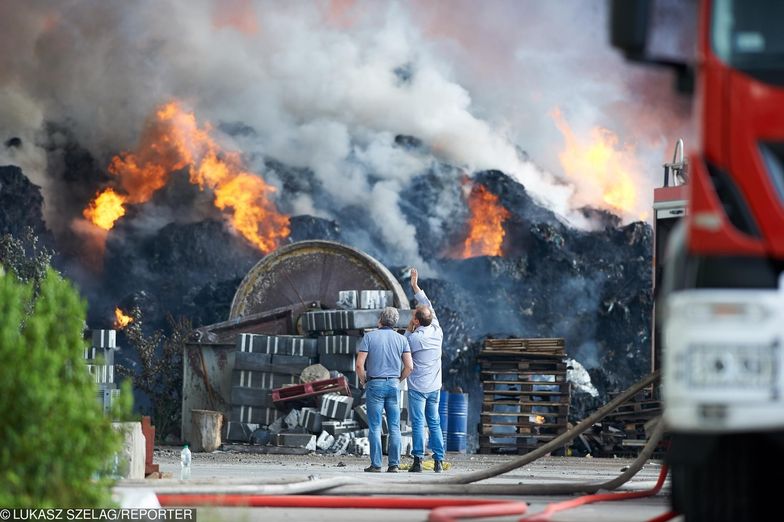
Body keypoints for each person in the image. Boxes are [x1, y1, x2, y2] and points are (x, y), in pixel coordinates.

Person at [356, 306, 413, 473]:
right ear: (394, 322)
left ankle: (376, 465)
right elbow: (409, 366)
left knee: (375, 426)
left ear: (380, 320)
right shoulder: (402, 340)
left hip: (375, 384)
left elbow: (359, 365)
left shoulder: (369, 337)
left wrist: (363, 380)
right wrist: (398, 380)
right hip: (393, 385)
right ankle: (394, 465)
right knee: (395, 427)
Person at [405, 267, 446, 473]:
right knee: (435, 423)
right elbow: (427, 305)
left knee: (419, 424)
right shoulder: (437, 329)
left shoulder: (414, 338)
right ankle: (439, 461)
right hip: (435, 387)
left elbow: (401, 348)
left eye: (414, 315)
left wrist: (408, 328)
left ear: (417, 321)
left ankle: (418, 461)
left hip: (418, 388)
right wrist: (415, 286)